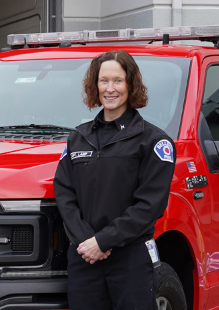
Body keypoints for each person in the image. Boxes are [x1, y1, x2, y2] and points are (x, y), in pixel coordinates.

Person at [52, 50, 175, 310]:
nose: (110, 89)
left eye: (117, 81)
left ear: (131, 85)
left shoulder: (153, 141)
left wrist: (103, 242)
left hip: (129, 258)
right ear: (95, 86)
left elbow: (149, 206)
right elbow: (64, 193)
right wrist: (87, 242)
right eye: (103, 81)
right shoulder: (78, 138)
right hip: (85, 257)